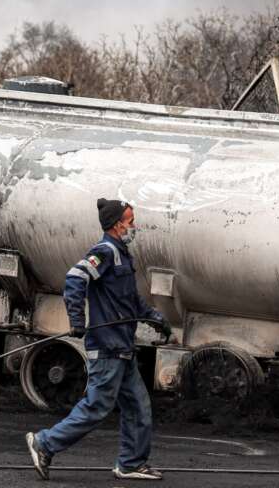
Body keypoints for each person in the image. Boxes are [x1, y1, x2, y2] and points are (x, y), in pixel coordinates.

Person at [25, 198, 171, 481]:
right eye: (131, 222)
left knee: (139, 407)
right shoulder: (104, 252)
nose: (134, 227)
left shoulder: (122, 255)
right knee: (96, 407)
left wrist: (155, 318)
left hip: (123, 347)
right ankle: (44, 443)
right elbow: (75, 278)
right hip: (106, 347)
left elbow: (129, 302)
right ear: (117, 225)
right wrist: (77, 321)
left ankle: (130, 464)